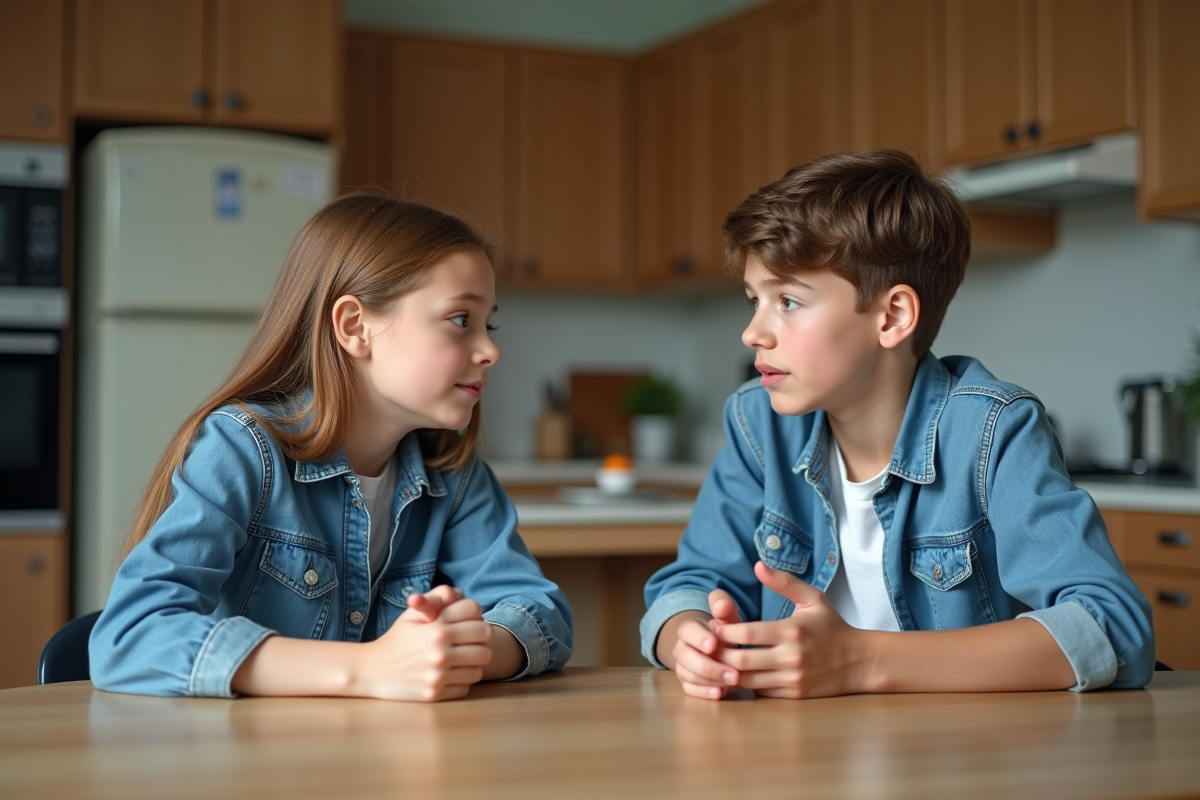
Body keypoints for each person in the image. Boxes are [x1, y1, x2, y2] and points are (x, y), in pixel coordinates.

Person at [641, 150, 1154, 699]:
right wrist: (689, 640)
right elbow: (690, 586)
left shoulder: (992, 432)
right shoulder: (756, 421)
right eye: (754, 300)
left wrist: (860, 661)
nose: (752, 333)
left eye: (787, 300)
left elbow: (1113, 625)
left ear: (892, 317)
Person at [90, 194, 572, 700]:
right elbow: (129, 637)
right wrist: (372, 668)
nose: (492, 350)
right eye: (460, 320)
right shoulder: (242, 449)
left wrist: (454, 649)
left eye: (488, 324)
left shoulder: (455, 474)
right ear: (354, 327)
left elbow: (544, 617)